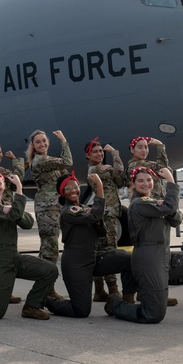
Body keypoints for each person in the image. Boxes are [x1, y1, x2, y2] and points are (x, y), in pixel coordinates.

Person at [104, 167, 183, 323]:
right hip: (149, 260)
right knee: (152, 314)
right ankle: (116, 304)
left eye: (149, 180)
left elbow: (176, 219)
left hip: (163, 255)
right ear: (133, 184)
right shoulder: (139, 204)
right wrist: (171, 182)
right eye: (140, 181)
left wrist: (167, 208)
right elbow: (170, 208)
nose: (146, 184)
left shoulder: (153, 203)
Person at [43, 172, 135, 318]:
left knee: (129, 260)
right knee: (81, 311)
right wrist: (99, 186)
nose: (73, 191)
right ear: (62, 193)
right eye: (68, 188)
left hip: (94, 257)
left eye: (75, 187)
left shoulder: (84, 208)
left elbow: (101, 232)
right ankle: (45, 300)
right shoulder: (68, 211)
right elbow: (95, 215)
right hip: (76, 263)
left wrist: (97, 221)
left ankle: (127, 299)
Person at [0, 170, 57, 320]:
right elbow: (15, 215)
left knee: (50, 270)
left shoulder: (6, 206)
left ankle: (32, 306)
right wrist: (19, 190)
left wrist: (12, 208)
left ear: (4, 186)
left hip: (14, 258)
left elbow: (28, 223)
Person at [125, 136, 179, 306]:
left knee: (161, 251)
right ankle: (148, 291)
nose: (144, 150)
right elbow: (164, 168)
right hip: (149, 208)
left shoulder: (148, 166)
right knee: (152, 255)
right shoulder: (136, 166)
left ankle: (154, 290)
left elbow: (162, 168)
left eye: (146, 147)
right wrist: (161, 149)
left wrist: (161, 148)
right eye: (140, 147)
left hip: (159, 205)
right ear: (132, 150)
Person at [26, 129, 72, 299]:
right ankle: (47, 290)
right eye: (38, 142)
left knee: (47, 248)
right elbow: (67, 161)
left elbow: (64, 175)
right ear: (33, 146)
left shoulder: (46, 161)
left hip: (53, 205)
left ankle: (43, 286)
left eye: (44, 141)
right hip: (47, 208)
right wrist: (63, 140)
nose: (43, 144)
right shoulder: (41, 160)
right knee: (50, 250)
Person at [85, 138, 127, 301]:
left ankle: (99, 290)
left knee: (101, 251)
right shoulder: (94, 170)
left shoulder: (103, 169)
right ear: (88, 155)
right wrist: (115, 154)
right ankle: (113, 290)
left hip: (109, 213)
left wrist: (113, 163)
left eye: (101, 151)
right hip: (106, 215)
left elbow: (120, 180)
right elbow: (118, 171)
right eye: (95, 152)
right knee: (109, 252)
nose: (99, 154)